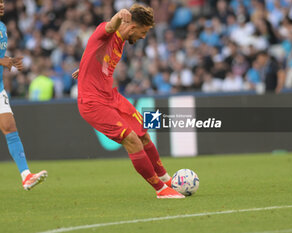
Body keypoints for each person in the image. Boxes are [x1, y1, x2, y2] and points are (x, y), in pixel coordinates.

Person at [72, 4, 184, 199]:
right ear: (132, 27)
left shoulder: (122, 41)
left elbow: (94, 50)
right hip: (92, 103)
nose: (143, 37)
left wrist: (84, 68)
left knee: (143, 134)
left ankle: (166, 178)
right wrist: (118, 16)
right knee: (131, 139)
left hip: (111, 97)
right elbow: (107, 28)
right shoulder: (108, 32)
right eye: (143, 32)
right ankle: (160, 190)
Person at [0, 0, 47, 190]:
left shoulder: (2, 27)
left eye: (3, 1)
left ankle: (26, 176)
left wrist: (8, 61)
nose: (2, 4)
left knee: (10, 126)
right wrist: (4, 61)